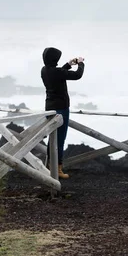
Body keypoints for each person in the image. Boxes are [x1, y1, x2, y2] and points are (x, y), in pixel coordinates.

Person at [41, 47, 85, 179]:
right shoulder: (57, 72)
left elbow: (60, 72)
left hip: (49, 108)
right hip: (61, 109)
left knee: (52, 139)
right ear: (55, 59)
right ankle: (58, 169)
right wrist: (81, 63)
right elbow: (77, 75)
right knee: (59, 140)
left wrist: (69, 64)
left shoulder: (45, 70)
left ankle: (50, 166)